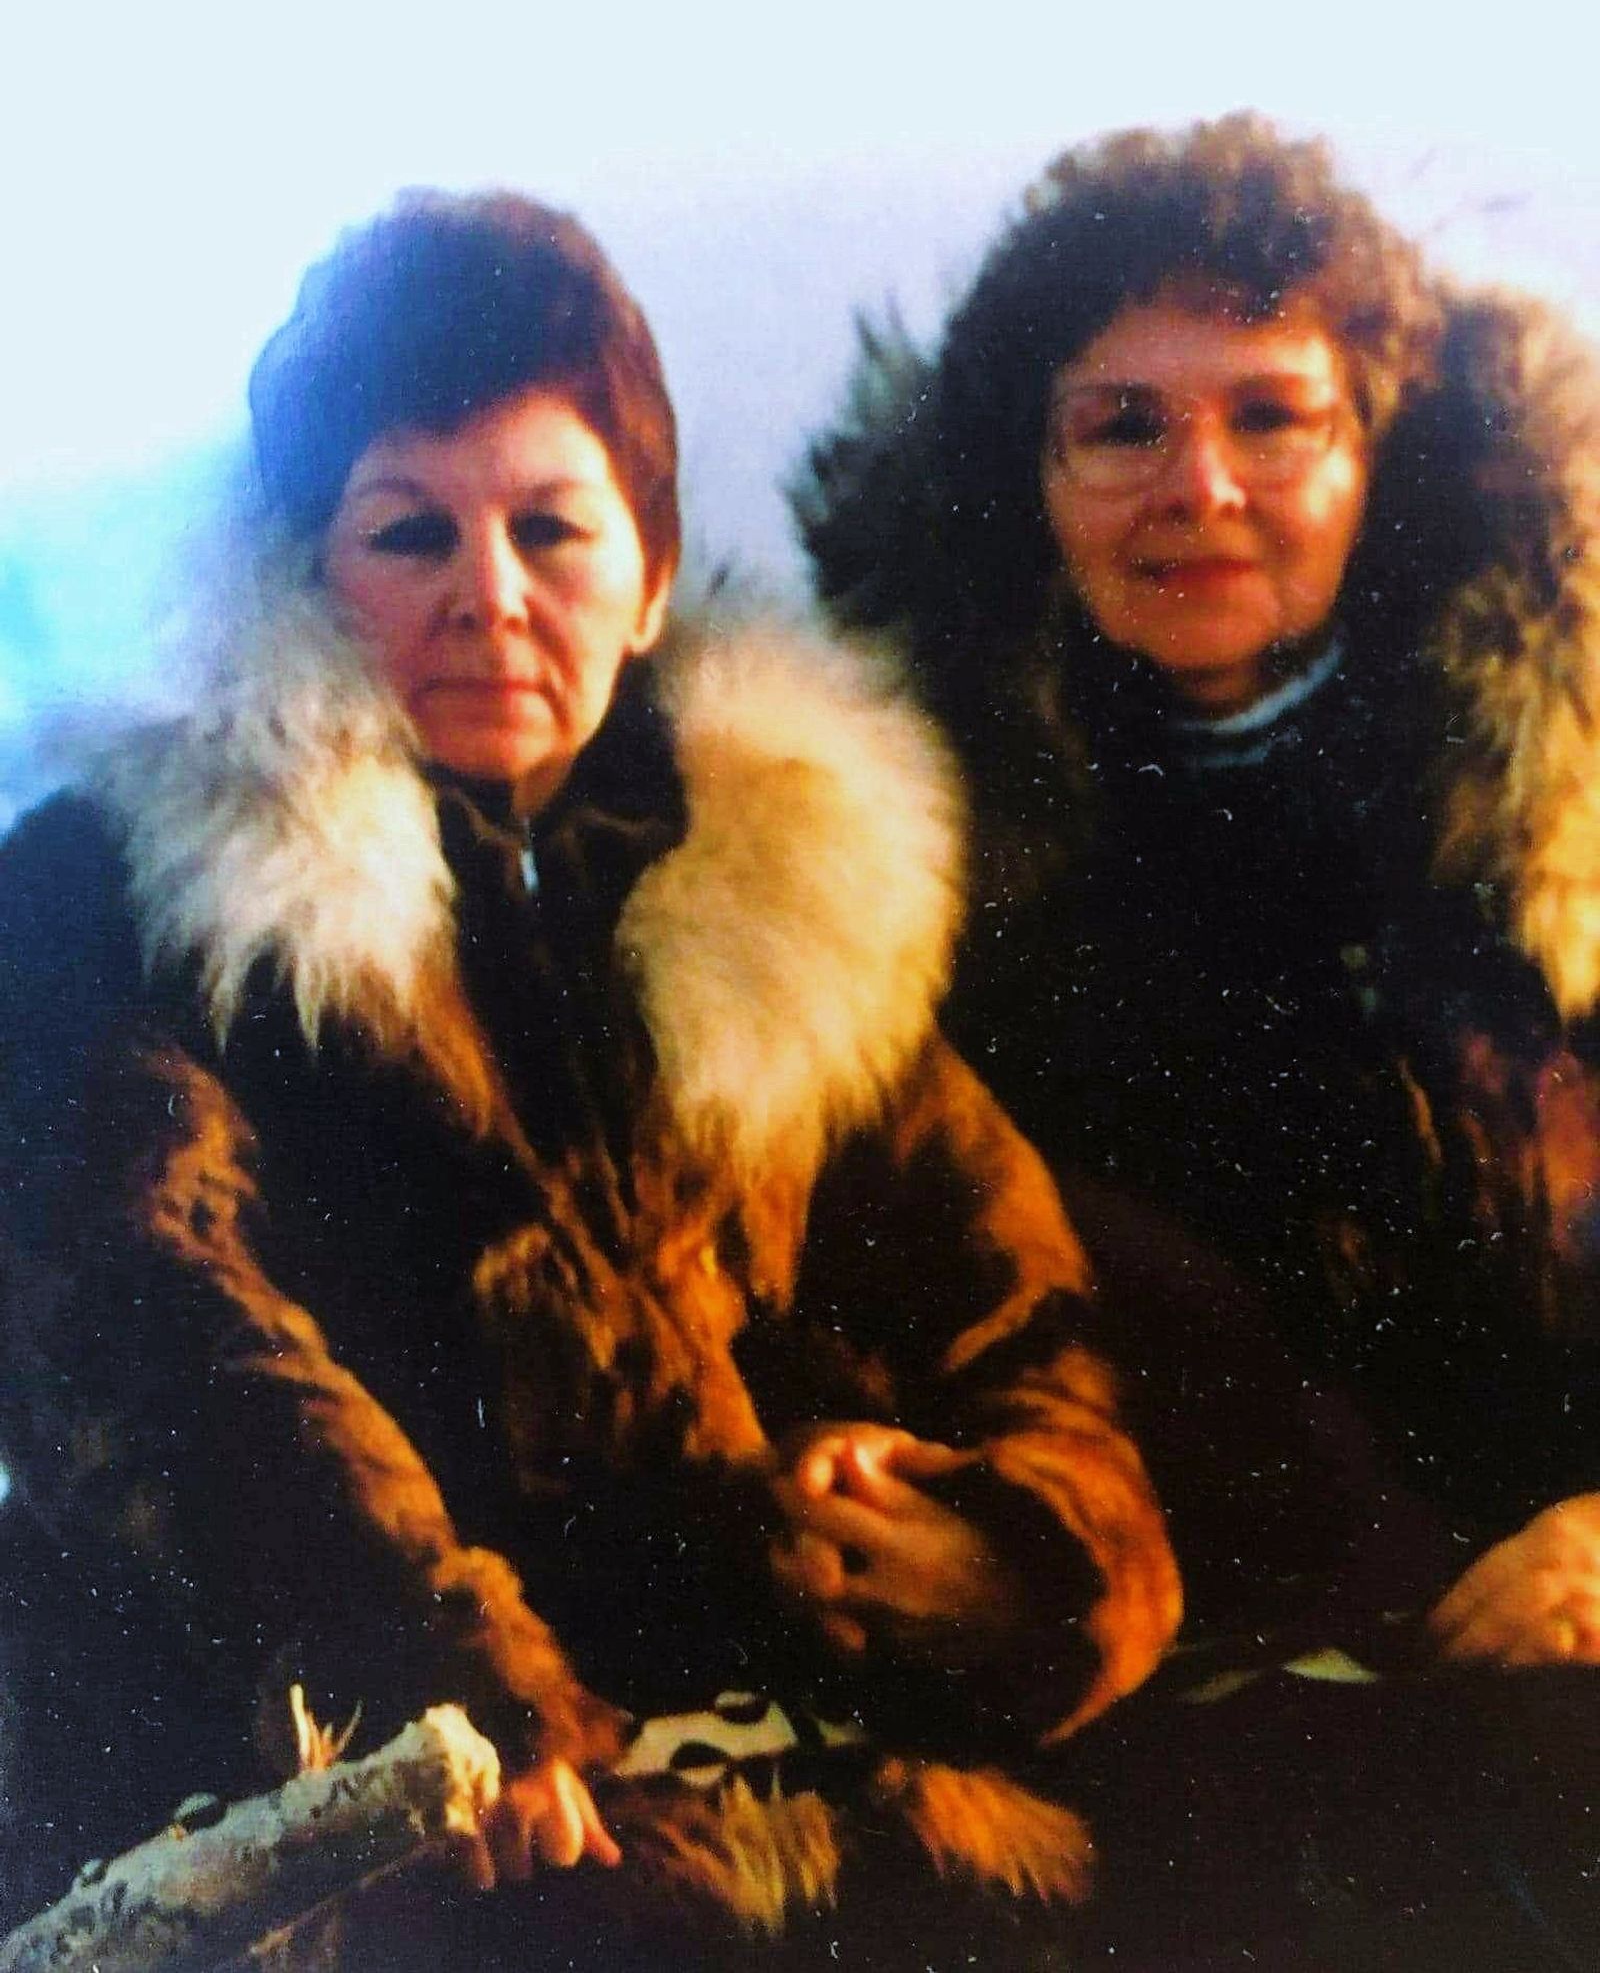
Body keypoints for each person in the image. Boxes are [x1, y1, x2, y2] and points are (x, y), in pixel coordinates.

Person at [0, 190, 1181, 1966]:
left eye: (553, 526)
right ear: (305, 574)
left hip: (793, 1789)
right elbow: (152, 1328)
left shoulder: (795, 904)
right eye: (409, 534)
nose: (490, 597)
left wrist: (989, 1549)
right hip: (356, 1818)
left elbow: (1024, 1322)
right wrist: (422, 1692)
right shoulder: (124, 893)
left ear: (644, 575)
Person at [797, 114, 1599, 1964]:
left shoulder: (1548, 823)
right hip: (1192, 1706)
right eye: (1124, 427)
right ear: (1033, 472)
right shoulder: (910, 882)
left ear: (1372, 450)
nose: (1201, 488)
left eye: (1270, 417)